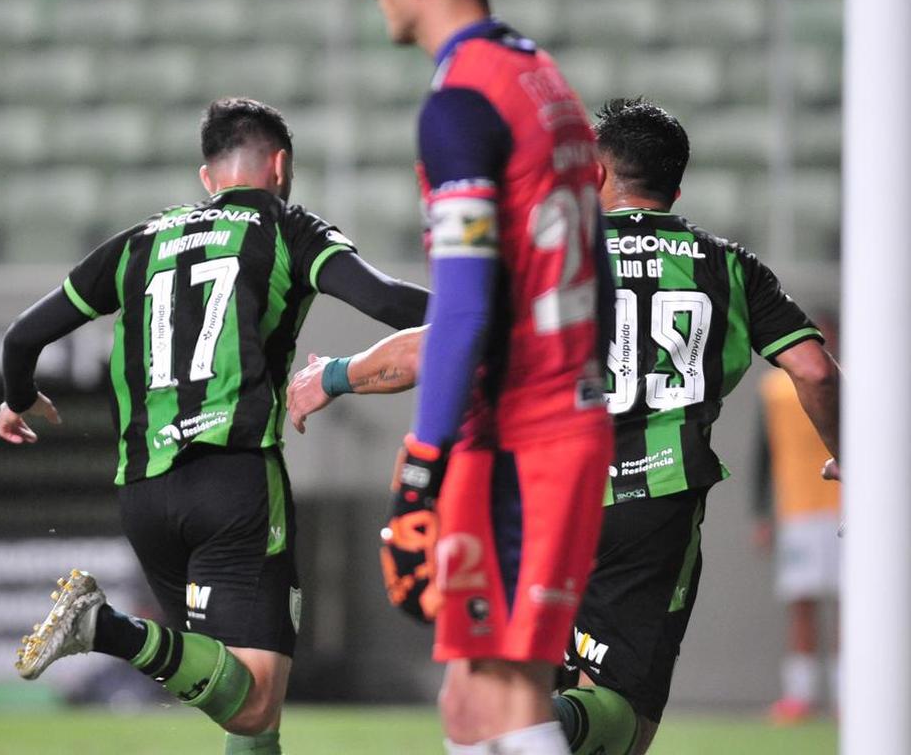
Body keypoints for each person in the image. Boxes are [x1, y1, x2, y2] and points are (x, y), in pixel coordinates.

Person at [287, 98, 842, 754]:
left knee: (531, 675)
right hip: (656, 508)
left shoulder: (555, 255)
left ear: (598, 175)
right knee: (622, 719)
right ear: (676, 186)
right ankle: (519, 735)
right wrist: (847, 454)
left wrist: (334, 375)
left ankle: (508, 729)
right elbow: (813, 370)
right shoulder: (729, 266)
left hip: (547, 498)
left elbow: (444, 345)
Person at [0, 97, 428, 755]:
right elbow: (388, 301)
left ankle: (108, 629)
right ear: (280, 166)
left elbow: (22, 336)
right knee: (254, 703)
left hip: (144, 493)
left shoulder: (139, 243)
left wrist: (20, 397)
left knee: (238, 697)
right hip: (234, 482)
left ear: (208, 178)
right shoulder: (286, 228)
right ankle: (104, 629)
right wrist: (490, 309)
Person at [365, 0, 615, 752]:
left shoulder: (461, 100)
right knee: (471, 704)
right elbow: (596, 263)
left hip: (519, 436)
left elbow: (466, 303)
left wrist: (419, 467)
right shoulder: (541, 77)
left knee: (509, 695)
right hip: (546, 422)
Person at [752, 318, 841, 723]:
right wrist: (761, 512)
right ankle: (800, 693)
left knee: (848, 604)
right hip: (797, 509)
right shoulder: (774, 389)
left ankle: (848, 693)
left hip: (844, 504)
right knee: (801, 603)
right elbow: (763, 452)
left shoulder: (852, 381)